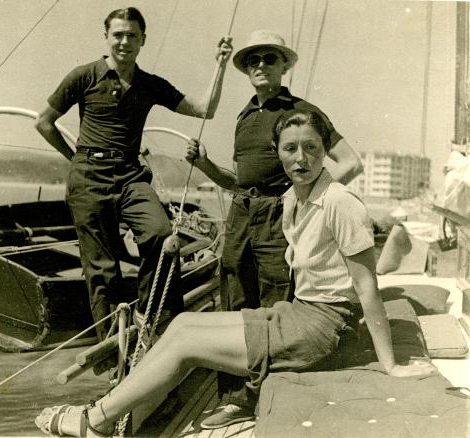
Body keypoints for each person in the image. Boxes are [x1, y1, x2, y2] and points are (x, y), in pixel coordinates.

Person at [34, 108, 435, 437]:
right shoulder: (294, 198)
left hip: (324, 328)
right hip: (299, 312)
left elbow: (368, 292)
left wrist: (392, 366)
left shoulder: (340, 202)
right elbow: (237, 186)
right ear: (278, 152)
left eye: (312, 148)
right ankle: (109, 411)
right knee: (185, 325)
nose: (301, 158)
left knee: (186, 347)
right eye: (290, 148)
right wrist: (204, 166)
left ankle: (95, 421)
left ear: (326, 150)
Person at [185, 29, 363, 427]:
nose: (260, 66)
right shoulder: (245, 115)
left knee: (275, 300)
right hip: (240, 214)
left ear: (285, 64)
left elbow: (350, 163)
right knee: (234, 295)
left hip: (277, 217)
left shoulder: (302, 112)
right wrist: (204, 166)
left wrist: (307, 204)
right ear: (246, 70)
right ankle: (233, 399)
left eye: (269, 58)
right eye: (253, 61)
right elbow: (237, 180)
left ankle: (272, 394)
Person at [35, 7, 232, 341]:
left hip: (130, 176)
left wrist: (221, 64)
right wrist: (76, 160)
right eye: (118, 35)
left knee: (162, 235)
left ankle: (157, 323)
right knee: (101, 270)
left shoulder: (149, 84)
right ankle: (113, 350)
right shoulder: (83, 76)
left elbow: (205, 110)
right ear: (107, 37)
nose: (124, 42)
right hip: (88, 176)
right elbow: (43, 122)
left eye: (132, 36)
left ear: (142, 40)